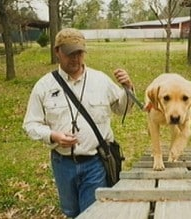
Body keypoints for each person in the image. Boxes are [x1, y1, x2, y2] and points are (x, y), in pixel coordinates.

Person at [23, 28, 134, 218]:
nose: (75, 58)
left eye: (79, 52)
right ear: (57, 51)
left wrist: (128, 88)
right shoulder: (44, 86)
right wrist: (52, 135)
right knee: (71, 212)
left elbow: (121, 109)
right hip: (62, 164)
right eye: (70, 53)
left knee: (91, 213)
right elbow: (30, 124)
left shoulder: (100, 80)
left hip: (95, 163)